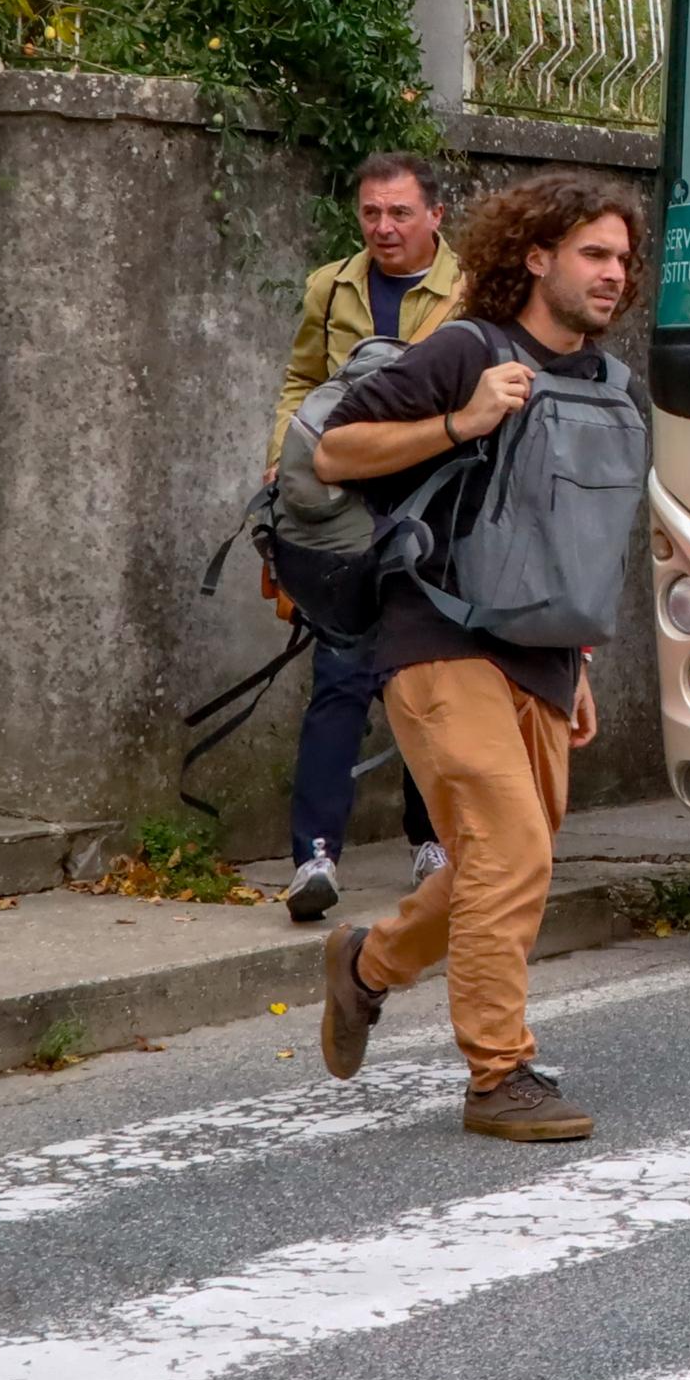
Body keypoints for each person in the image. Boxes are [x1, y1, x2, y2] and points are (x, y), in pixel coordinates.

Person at [309, 174, 645, 1142]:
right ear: (535, 256)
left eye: (621, 257)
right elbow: (336, 451)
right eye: (592, 252)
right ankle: (497, 1075)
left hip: (539, 653)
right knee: (511, 848)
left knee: (498, 863)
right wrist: (461, 420)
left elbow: (569, 539)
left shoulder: (606, 385)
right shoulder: (468, 348)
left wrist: (574, 659)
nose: (612, 273)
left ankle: (366, 965)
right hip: (439, 636)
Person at [270, 152, 462, 923]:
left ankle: (431, 840)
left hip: (430, 506)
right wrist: (282, 456)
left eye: (400, 213)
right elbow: (300, 380)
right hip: (344, 501)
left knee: (424, 679)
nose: (384, 228)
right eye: (372, 213)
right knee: (341, 671)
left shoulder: (471, 291)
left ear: (435, 217)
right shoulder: (331, 287)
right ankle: (314, 856)